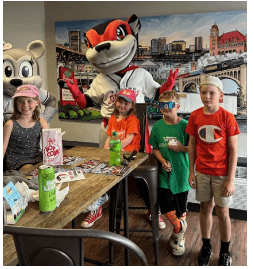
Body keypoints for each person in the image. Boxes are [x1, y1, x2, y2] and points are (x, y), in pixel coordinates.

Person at [186, 76, 240, 266]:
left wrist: (230, 180)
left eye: (212, 93)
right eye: (203, 92)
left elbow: (234, 150)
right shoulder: (195, 116)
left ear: (221, 96)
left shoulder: (227, 117)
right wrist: (191, 172)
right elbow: (191, 145)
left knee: (223, 211)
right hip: (201, 171)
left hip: (222, 174)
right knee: (204, 208)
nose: (207, 96)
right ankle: (206, 245)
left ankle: (225, 250)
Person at [80, 89, 142, 229]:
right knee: (94, 168)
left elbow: (129, 139)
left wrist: (115, 147)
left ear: (132, 105)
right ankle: (97, 204)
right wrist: (105, 151)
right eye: (120, 101)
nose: (122, 105)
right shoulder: (113, 118)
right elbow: (109, 137)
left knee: (108, 172)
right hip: (113, 152)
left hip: (127, 154)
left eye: (126, 103)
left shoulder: (133, 120)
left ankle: (100, 199)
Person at [148, 90, 190, 256]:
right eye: (162, 105)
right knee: (164, 202)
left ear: (177, 106)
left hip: (181, 172)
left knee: (181, 207)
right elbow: (155, 148)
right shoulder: (158, 126)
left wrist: (182, 148)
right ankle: (179, 228)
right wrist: (162, 161)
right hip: (164, 173)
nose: (165, 108)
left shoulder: (185, 125)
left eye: (169, 105)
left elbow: (195, 148)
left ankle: (179, 238)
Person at [3, 85, 48, 171]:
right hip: (17, 161)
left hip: (37, 158)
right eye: (21, 101)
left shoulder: (42, 123)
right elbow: (2, 149)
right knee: (34, 172)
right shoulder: (10, 124)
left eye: (29, 101)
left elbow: (48, 146)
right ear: (16, 103)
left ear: (37, 102)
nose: (25, 105)